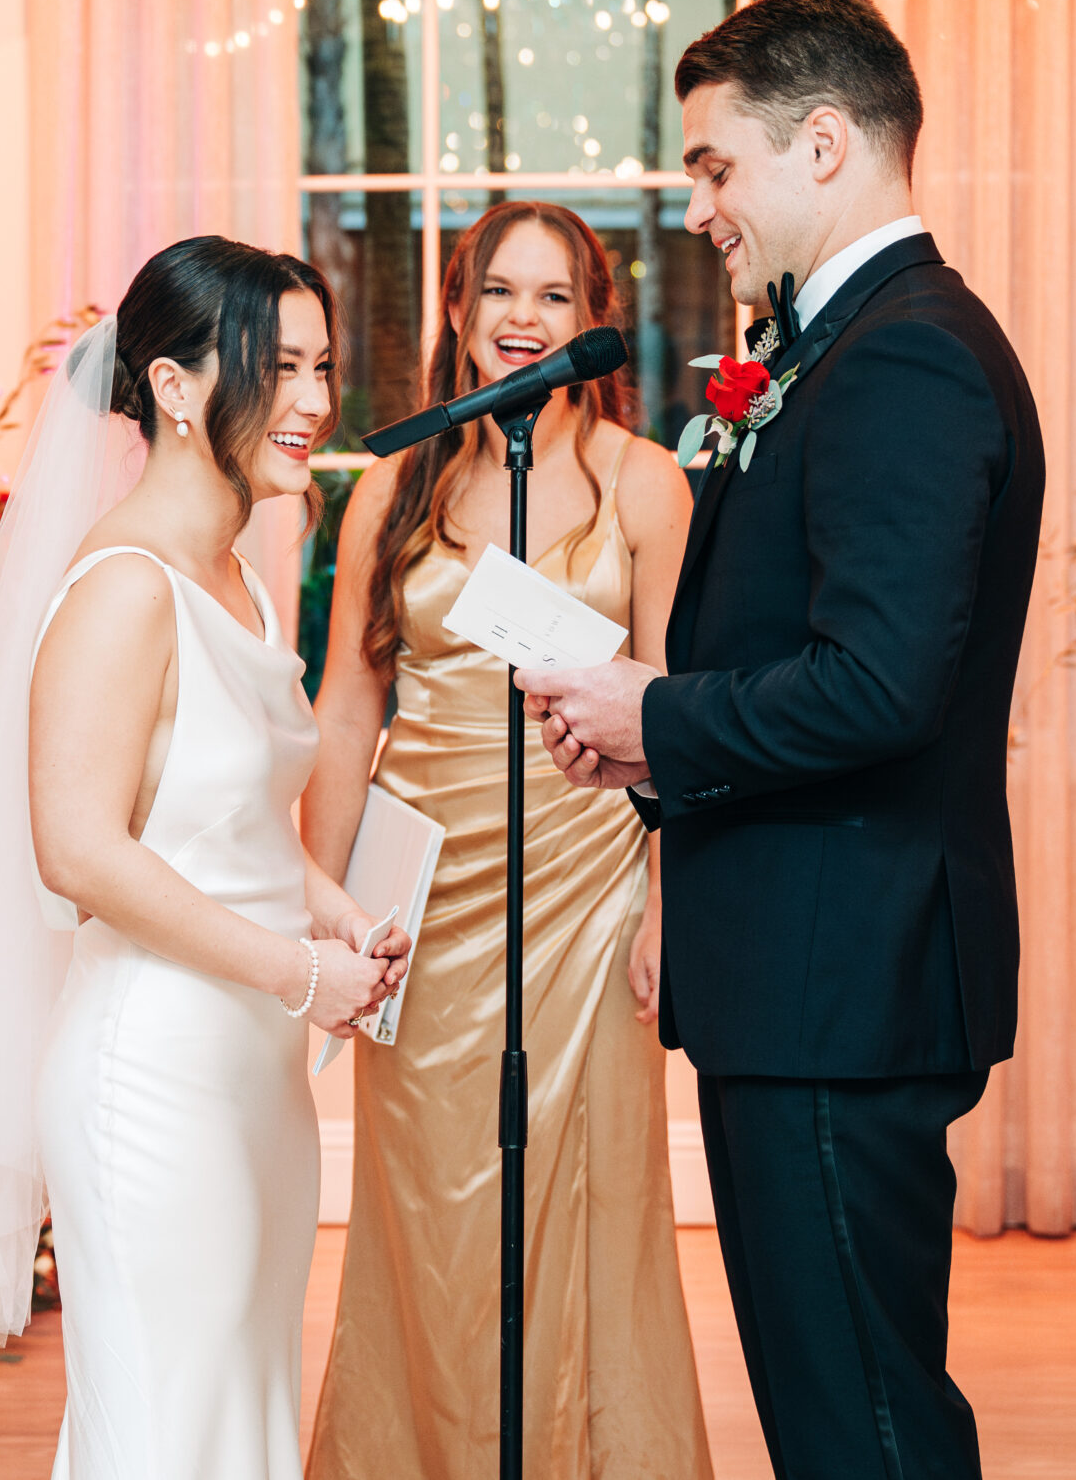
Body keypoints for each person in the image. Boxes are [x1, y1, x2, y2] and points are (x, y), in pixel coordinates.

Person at [519, 0, 1044, 1480]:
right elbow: (812, 656)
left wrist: (658, 709)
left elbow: (882, 686)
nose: (700, 206)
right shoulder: (842, 344)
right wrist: (649, 744)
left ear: (823, 144)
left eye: (714, 165)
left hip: (843, 971)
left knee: (861, 1416)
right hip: (808, 968)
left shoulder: (907, 357)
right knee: (832, 1405)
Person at [0, 236, 407, 1480]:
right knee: (161, 1431)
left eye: (321, 366)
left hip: (254, 1077)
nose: (312, 401)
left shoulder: (239, 578)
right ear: (177, 386)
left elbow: (227, 812)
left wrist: (336, 914)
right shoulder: (124, 585)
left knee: (236, 1418)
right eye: (279, 366)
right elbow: (78, 847)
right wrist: (295, 971)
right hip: (150, 1081)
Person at [303, 202, 706, 1480]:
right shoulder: (393, 485)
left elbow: (682, 711)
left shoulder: (644, 481)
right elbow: (346, 705)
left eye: (551, 296)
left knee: (590, 1200)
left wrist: (667, 896)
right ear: (461, 313)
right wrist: (320, 904)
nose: (521, 319)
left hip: (588, 883)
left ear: (594, 320)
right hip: (421, 894)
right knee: (428, 1206)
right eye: (498, 293)